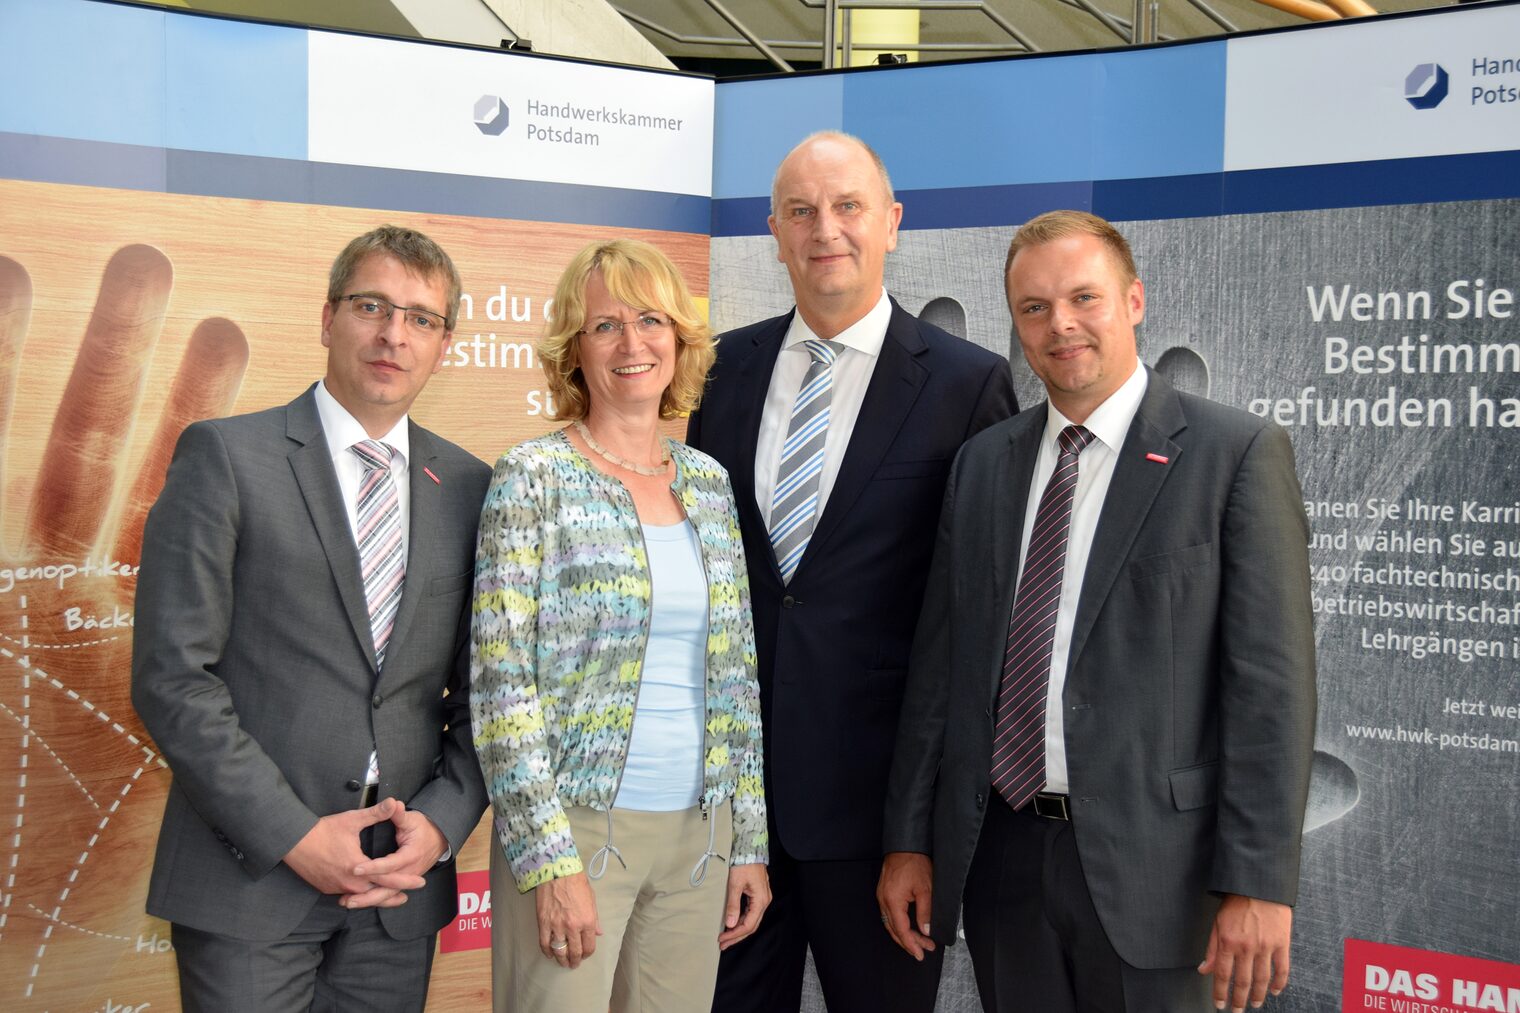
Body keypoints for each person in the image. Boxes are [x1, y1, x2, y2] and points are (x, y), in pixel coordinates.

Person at [878, 210, 1318, 1013]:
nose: (1062, 325)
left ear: (1135, 300)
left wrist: (1257, 882)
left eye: (1085, 297)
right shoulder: (983, 465)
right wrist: (911, 837)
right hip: (1003, 858)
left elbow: (1271, 693)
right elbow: (941, 670)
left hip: (1161, 875)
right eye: (1035, 307)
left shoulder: (1235, 455)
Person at [685, 131, 1019, 1013]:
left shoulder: (968, 385)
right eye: (800, 211)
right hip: (731, 817)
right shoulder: (719, 371)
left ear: (893, 223)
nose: (824, 229)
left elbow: (975, 626)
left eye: (847, 207)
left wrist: (921, 833)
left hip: (880, 831)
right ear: (775, 231)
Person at [131, 225, 490, 1011]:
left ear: (444, 344)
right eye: (373, 305)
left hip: (397, 897)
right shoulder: (226, 457)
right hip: (249, 883)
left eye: (422, 318)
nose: (395, 334)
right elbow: (172, 678)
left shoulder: (469, 486)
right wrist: (294, 835)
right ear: (328, 317)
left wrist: (437, 827)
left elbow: (486, 695)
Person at [470, 238, 770, 1013]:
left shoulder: (708, 484)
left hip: (700, 839)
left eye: (650, 320)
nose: (632, 343)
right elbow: (502, 689)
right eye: (605, 325)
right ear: (574, 349)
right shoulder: (532, 477)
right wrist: (546, 860)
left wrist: (748, 841)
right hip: (575, 832)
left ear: (679, 338)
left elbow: (735, 677)